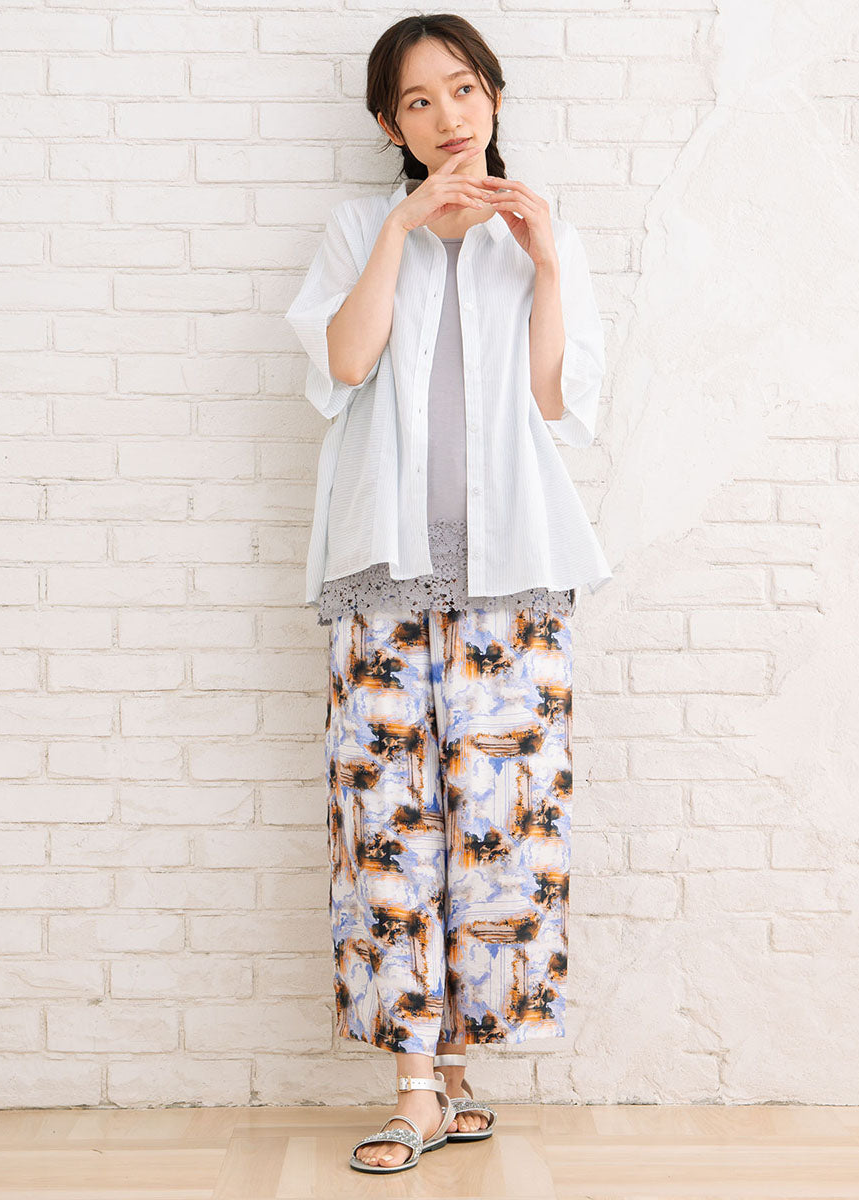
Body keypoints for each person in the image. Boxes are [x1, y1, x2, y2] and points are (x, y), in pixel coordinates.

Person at [284, 13, 612, 1175]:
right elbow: (344, 362)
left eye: (462, 89)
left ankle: (459, 1071)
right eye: (417, 101)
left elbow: (557, 399)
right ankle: (414, 1088)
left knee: (500, 827)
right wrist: (398, 231)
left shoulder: (542, 232)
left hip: (515, 573)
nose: (446, 115)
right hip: (380, 572)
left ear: (494, 97)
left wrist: (547, 262)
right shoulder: (357, 226)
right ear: (391, 125)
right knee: (387, 826)